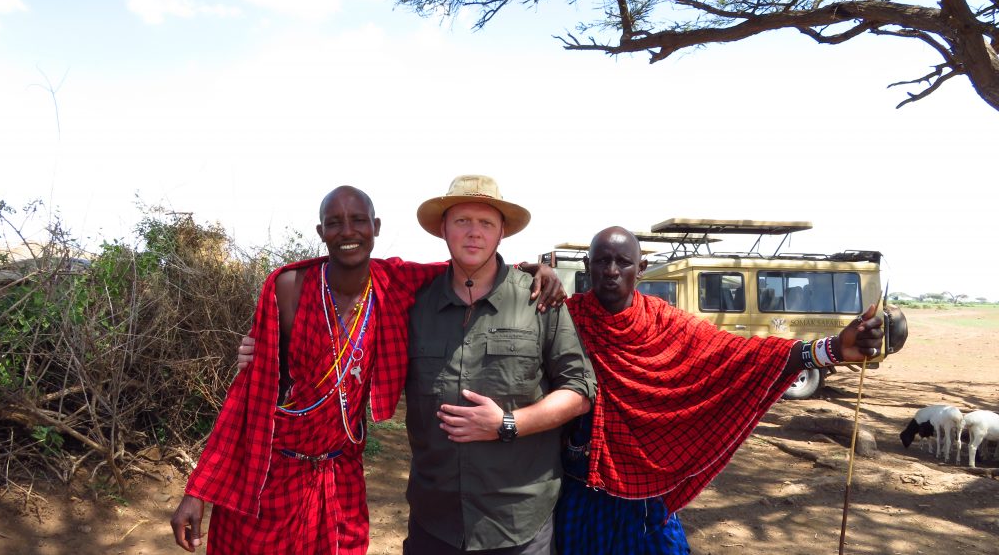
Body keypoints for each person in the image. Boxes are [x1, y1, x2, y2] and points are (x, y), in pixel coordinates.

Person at [170, 185, 564, 554]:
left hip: (340, 476)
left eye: (358, 220)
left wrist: (531, 269)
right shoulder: (288, 287)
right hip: (273, 474)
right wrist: (197, 491)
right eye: (335, 222)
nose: (348, 231)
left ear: (374, 228)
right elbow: (249, 396)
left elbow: (470, 267)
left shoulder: (394, 283)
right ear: (321, 231)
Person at [555, 226, 885, 554]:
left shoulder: (666, 323)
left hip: (646, 493)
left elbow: (741, 354)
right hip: (584, 486)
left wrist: (833, 350)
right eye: (601, 261)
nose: (611, 271)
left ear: (640, 269)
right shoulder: (565, 319)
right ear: (588, 266)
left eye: (623, 262)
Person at [402, 175, 595, 554]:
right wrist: (267, 348)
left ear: (502, 232)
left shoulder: (539, 300)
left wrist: (508, 424)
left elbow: (580, 390)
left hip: (518, 522)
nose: (474, 233)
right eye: (462, 221)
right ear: (443, 229)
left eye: (486, 223)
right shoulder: (413, 304)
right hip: (433, 520)